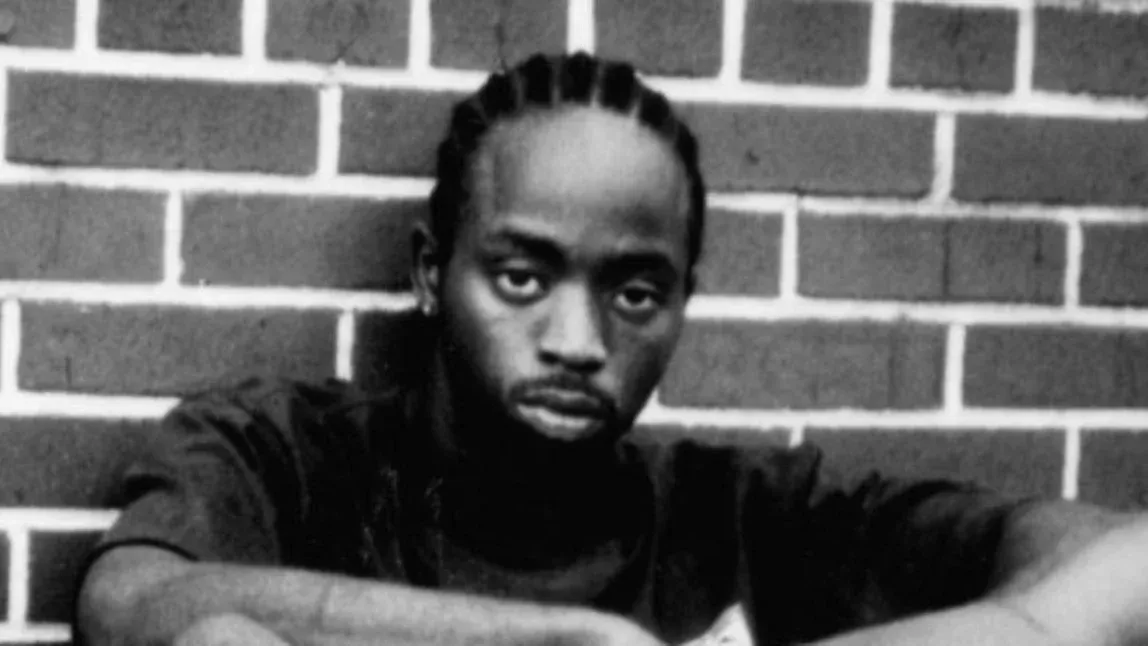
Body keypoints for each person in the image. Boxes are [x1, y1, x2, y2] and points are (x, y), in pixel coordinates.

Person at [75, 52, 1148, 646]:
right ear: (430, 272)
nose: (580, 342)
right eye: (522, 278)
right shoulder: (284, 454)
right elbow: (130, 605)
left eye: (635, 293)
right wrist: (556, 644)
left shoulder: (743, 512)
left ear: (681, 303)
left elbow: (1122, 567)